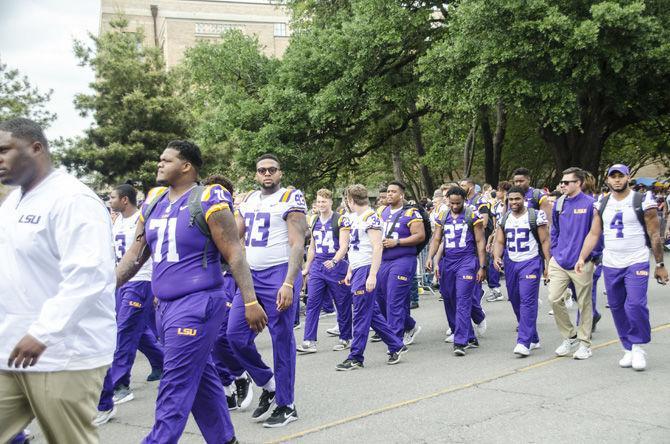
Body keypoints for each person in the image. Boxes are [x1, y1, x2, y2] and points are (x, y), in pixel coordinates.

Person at [115, 140, 265, 443]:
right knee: (202, 378)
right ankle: (225, 439)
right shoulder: (155, 200)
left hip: (198, 304)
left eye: (166, 160)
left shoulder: (209, 197)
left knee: (175, 384)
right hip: (164, 306)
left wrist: (250, 300)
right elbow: (135, 254)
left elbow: (234, 252)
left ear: (186, 166)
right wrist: (103, 288)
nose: (159, 164)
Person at [0, 118, 116, 443]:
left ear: (36, 148)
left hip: (62, 354)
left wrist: (43, 331)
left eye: (4, 150)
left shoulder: (72, 199)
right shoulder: (13, 202)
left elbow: (89, 275)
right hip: (11, 350)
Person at [230, 154, 307, 427]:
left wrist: (289, 282)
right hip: (251, 275)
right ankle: (267, 382)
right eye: (261, 170)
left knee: (281, 339)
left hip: (278, 273)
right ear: (255, 174)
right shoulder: (250, 199)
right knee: (235, 336)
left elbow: (297, 243)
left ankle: (287, 404)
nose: (266, 174)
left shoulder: (290, 197)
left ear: (280, 172)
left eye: (271, 170)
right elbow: (234, 236)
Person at [576, 164, 669, 371]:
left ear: (628, 178)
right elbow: (594, 233)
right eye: (613, 177)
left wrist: (660, 264)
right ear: (607, 180)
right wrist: (582, 256)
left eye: (621, 176)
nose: (617, 180)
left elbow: (654, 234)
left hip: (636, 258)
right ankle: (627, 347)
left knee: (635, 304)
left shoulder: (642, 200)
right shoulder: (602, 202)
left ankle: (638, 346)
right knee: (617, 306)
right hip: (611, 261)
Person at [94, 184, 165, 426]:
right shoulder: (116, 222)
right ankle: (161, 362)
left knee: (123, 330)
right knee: (138, 330)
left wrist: (156, 284)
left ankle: (120, 384)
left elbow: (153, 252)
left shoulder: (141, 219)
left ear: (124, 200)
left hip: (141, 281)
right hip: (122, 280)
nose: (109, 200)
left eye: (112, 197)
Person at [336, 185, 407, 370]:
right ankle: (396, 344)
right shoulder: (354, 218)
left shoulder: (370, 217)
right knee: (371, 313)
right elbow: (355, 247)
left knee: (360, 314)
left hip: (367, 268)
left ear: (350, 200)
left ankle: (356, 356)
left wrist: (372, 275)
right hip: (358, 267)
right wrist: (350, 269)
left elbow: (377, 247)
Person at [202, 174, 254, 412]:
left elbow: (237, 251)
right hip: (206, 281)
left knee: (223, 335)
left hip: (230, 278)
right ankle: (227, 386)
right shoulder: (200, 213)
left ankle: (240, 374)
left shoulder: (234, 216)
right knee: (208, 339)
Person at [426, 187, 487, 355]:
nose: (454, 206)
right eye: (451, 203)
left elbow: (480, 242)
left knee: (462, 299)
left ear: (464, 200)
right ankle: (468, 334)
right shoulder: (443, 216)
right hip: (448, 261)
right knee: (448, 297)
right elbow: (437, 238)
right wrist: (430, 258)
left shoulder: (472, 215)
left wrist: (482, 266)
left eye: (458, 203)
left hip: (466, 260)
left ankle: (460, 341)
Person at [546, 168, 599, 360]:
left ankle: (585, 344)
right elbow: (555, 230)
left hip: (582, 262)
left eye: (567, 182)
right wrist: (554, 252)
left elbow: (596, 234)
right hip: (560, 260)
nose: (563, 185)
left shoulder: (591, 204)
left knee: (584, 303)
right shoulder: (559, 203)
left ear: (579, 183)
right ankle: (569, 336)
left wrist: (591, 257)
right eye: (562, 182)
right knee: (554, 298)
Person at [493, 186, 550, 356]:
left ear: (524, 199)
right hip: (511, 262)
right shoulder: (505, 218)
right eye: (510, 199)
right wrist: (497, 256)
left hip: (530, 261)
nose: (514, 202)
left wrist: (548, 264)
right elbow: (500, 241)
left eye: (517, 199)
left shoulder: (535, 215)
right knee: (516, 300)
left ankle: (523, 341)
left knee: (527, 300)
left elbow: (545, 240)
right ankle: (533, 338)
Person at [298, 189, 353, 353]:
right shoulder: (314, 219)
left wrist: (335, 260)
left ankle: (345, 337)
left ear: (330, 202)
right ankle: (309, 341)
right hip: (318, 266)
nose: (321, 204)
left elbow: (344, 245)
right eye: (319, 201)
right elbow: (312, 247)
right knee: (313, 303)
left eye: (324, 201)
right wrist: (307, 267)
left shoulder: (340, 219)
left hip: (336, 265)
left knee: (342, 303)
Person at [377, 181, 425, 346]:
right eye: (388, 191)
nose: (389, 194)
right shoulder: (382, 212)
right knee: (381, 298)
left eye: (393, 192)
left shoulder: (411, 213)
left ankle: (395, 342)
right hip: (384, 260)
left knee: (394, 299)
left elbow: (420, 236)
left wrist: (397, 242)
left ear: (401, 195)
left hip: (403, 259)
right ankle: (409, 325)